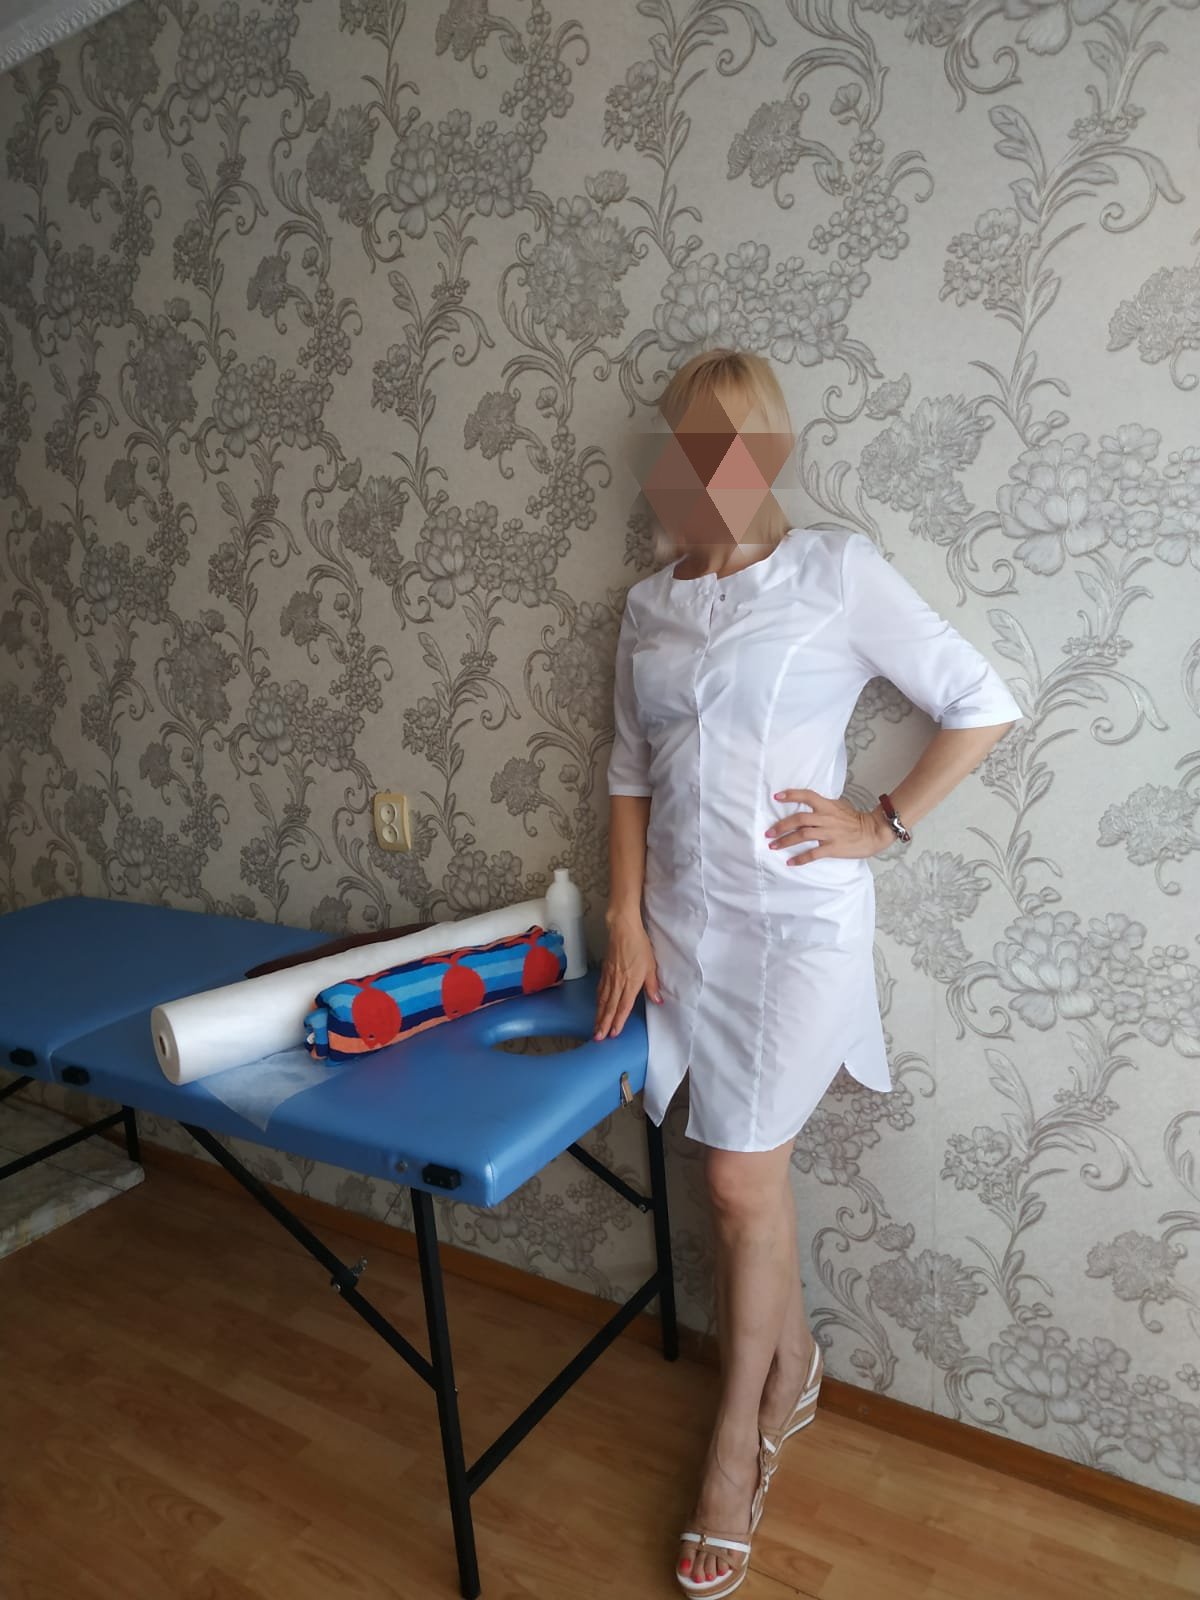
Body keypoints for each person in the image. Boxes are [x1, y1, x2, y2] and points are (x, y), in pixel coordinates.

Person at [595, 347, 1023, 1597]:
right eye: (685, 448)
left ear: (767, 454)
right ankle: (795, 1363)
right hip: (682, 926)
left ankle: (737, 1444)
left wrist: (883, 821)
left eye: (726, 447)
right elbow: (628, 771)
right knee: (742, 1181)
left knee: (736, 1178)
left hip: (794, 929)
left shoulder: (834, 572)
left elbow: (980, 700)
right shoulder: (648, 604)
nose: (702, 472)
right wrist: (624, 915)